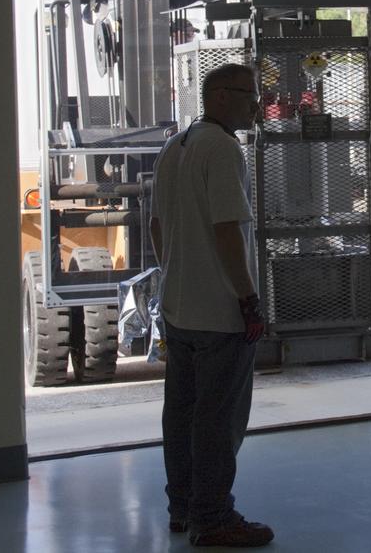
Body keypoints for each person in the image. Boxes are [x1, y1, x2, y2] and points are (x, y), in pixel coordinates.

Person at [149, 62, 274, 548]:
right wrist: (247, 299)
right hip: (220, 314)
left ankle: (182, 507)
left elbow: (158, 226)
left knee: (180, 415)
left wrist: (178, 271)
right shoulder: (222, 148)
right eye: (248, 94)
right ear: (219, 96)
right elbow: (228, 229)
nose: (255, 105)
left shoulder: (173, 147)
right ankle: (214, 516)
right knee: (218, 420)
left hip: (178, 309)